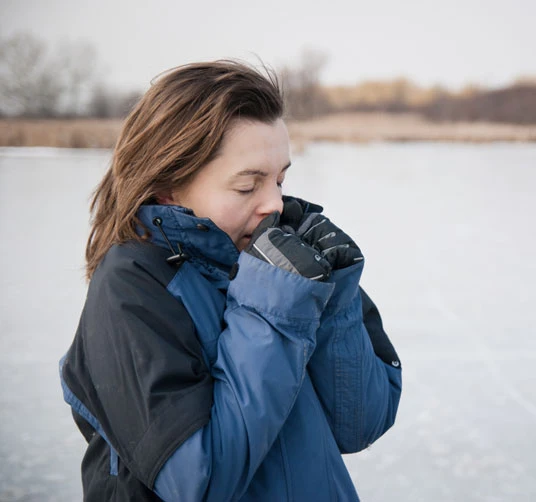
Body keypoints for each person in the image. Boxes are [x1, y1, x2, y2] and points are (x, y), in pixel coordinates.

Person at [58, 60, 402, 501]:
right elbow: (198, 483)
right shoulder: (133, 286)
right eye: (248, 186)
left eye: (280, 179)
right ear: (168, 186)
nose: (275, 204)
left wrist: (332, 297)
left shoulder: (276, 266)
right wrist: (273, 305)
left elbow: (361, 423)